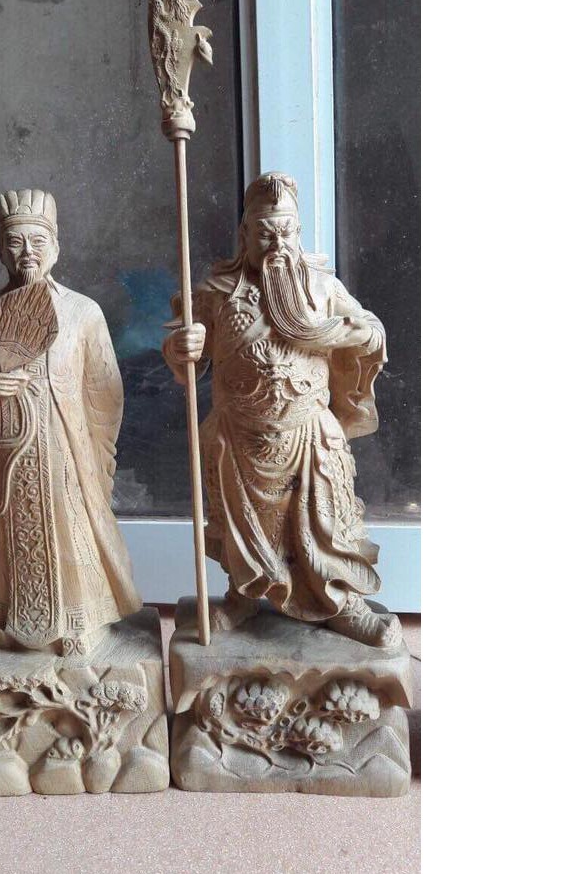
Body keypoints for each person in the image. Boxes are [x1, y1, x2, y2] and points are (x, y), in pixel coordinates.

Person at [163, 172, 401, 647]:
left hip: (308, 432)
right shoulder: (216, 291)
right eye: (265, 232)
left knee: (325, 523)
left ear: (299, 232)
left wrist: (347, 333)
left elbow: (371, 329)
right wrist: (183, 346)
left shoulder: (321, 287)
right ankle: (243, 594)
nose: (277, 243)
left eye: (286, 231)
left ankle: (339, 600)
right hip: (239, 435)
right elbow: (183, 353)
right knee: (244, 528)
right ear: (244, 235)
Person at [0, 188, 141, 656]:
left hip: (63, 445)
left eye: (37, 241)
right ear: (1, 250)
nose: (27, 252)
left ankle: (79, 617)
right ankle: (9, 615)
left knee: (69, 523)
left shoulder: (82, 312)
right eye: (15, 242)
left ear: (55, 246)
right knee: (7, 529)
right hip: (3, 448)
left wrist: (95, 449)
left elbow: (105, 389)